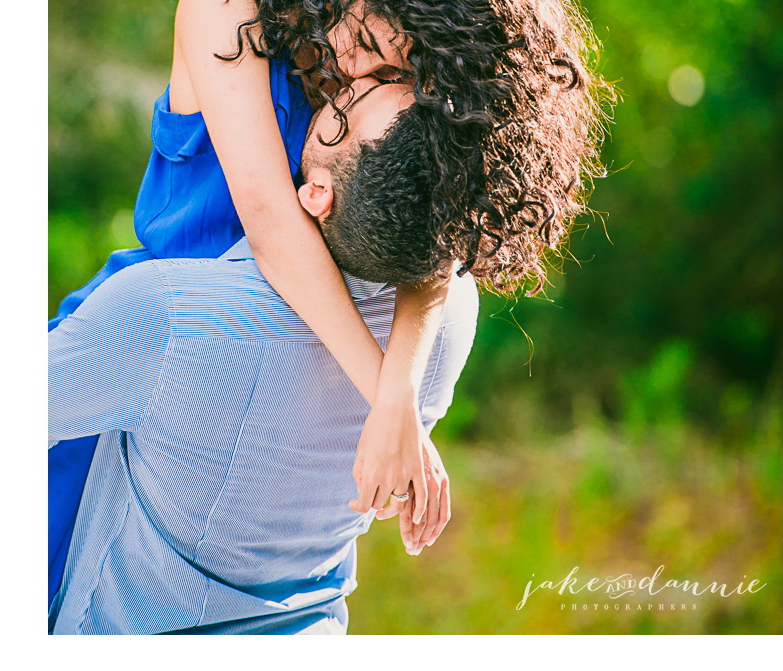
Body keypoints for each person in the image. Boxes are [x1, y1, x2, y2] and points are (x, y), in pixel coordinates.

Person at [49, 0, 610, 608]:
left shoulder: (380, 81)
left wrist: (400, 396)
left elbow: (434, 231)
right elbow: (270, 217)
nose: (368, 73)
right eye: (377, 48)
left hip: (266, 373)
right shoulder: (226, 2)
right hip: (155, 347)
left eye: (399, 72)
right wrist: (384, 400)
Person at [49, 78, 478, 635]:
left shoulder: (171, 314)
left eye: (346, 104)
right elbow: (441, 270)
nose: (350, 80)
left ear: (316, 194)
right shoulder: (450, 321)